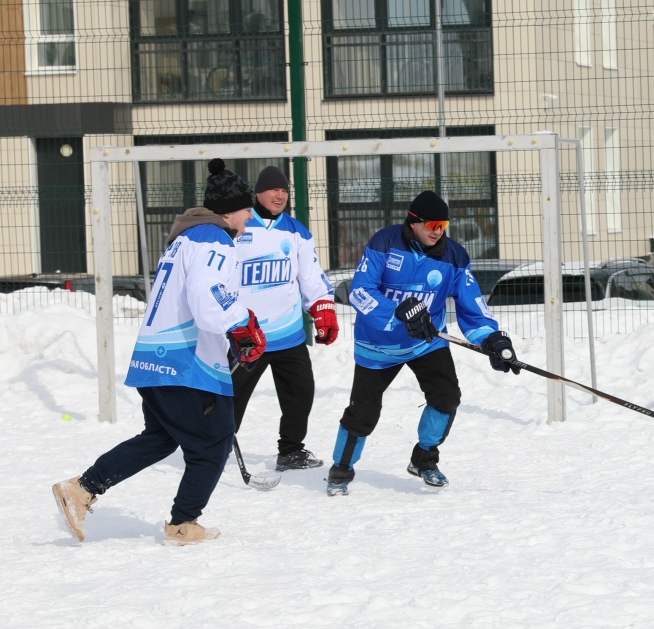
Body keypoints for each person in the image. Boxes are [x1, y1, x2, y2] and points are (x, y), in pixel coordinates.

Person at [51, 158, 266, 545]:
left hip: (156, 359)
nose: (250, 217)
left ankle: (82, 489)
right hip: (187, 364)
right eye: (247, 209)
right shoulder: (214, 239)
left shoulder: (185, 239)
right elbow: (206, 300)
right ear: (229, 210)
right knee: (214, 441)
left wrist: (231, 329)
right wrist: (242, 322)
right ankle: (183, 524)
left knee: (160, 438)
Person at [325, 190, 521, 496]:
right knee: (363, 413)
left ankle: (424, 459)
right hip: (378, 346)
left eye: (442, 224)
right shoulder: (385, 243)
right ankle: (341, 468)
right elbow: (360, 292)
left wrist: (492, 338)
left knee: (446, 397)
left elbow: (473, 307)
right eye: (431, 224)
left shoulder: (453, 257)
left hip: (426, 343)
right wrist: (397, 313)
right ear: (413, 222)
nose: (437, 230)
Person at [231, 165, 338, 471]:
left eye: (284, 190)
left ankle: (290, 450)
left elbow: (311, 277)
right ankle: (215, 445)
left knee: (301, 393)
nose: (279, 195)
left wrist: (323, 309)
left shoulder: (296, 231)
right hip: (247, 334)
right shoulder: (238, 226)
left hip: (288, 333)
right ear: (258, 193)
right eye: (273, 190)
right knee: (231, 396)